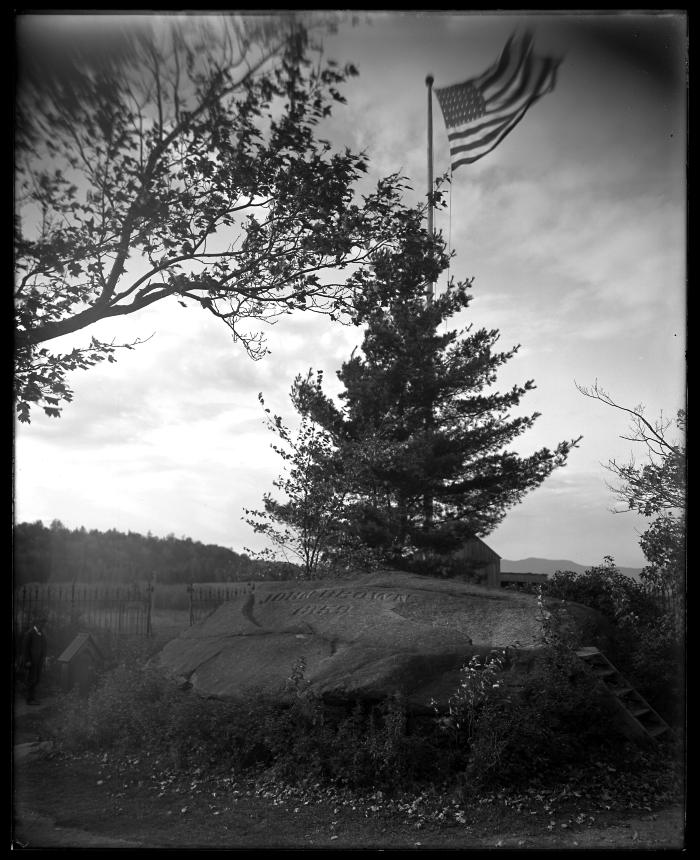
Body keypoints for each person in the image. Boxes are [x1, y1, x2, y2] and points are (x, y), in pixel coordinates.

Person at [21, 615, 48, 705]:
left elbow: (44, 647)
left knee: (37, 679)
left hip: (39, 661)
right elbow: (25, 649)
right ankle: (29, 699)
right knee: (31, 679)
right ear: (37, 624)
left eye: (44, 624)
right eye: (42, 624)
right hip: (32, 661)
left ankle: (33, 697)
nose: (43, 626)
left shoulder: (42, 634)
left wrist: (44, 658)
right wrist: (27, 660)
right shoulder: (30, 633)